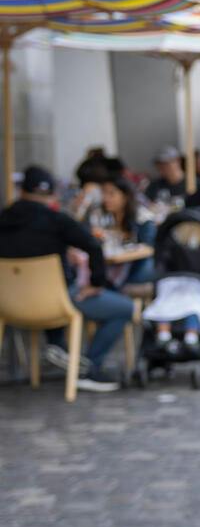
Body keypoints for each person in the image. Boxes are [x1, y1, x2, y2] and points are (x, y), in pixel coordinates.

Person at [0, 166, 131, 391]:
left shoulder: (3, 218)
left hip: (8, 305)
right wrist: (96, 283)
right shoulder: (56, 220)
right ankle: (89, 369)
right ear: (50, 193)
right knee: (124, 308)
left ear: (22, 190)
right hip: (56, 301)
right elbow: (93, 245)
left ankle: (57, 345)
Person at [99, 175, 157, 288]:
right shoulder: (104, 217)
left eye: (111, 194)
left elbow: (148, 248)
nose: (106, 198)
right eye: (104, 193)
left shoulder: (142, 218)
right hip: (112, 263)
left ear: (125, 196)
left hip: (137, 265)